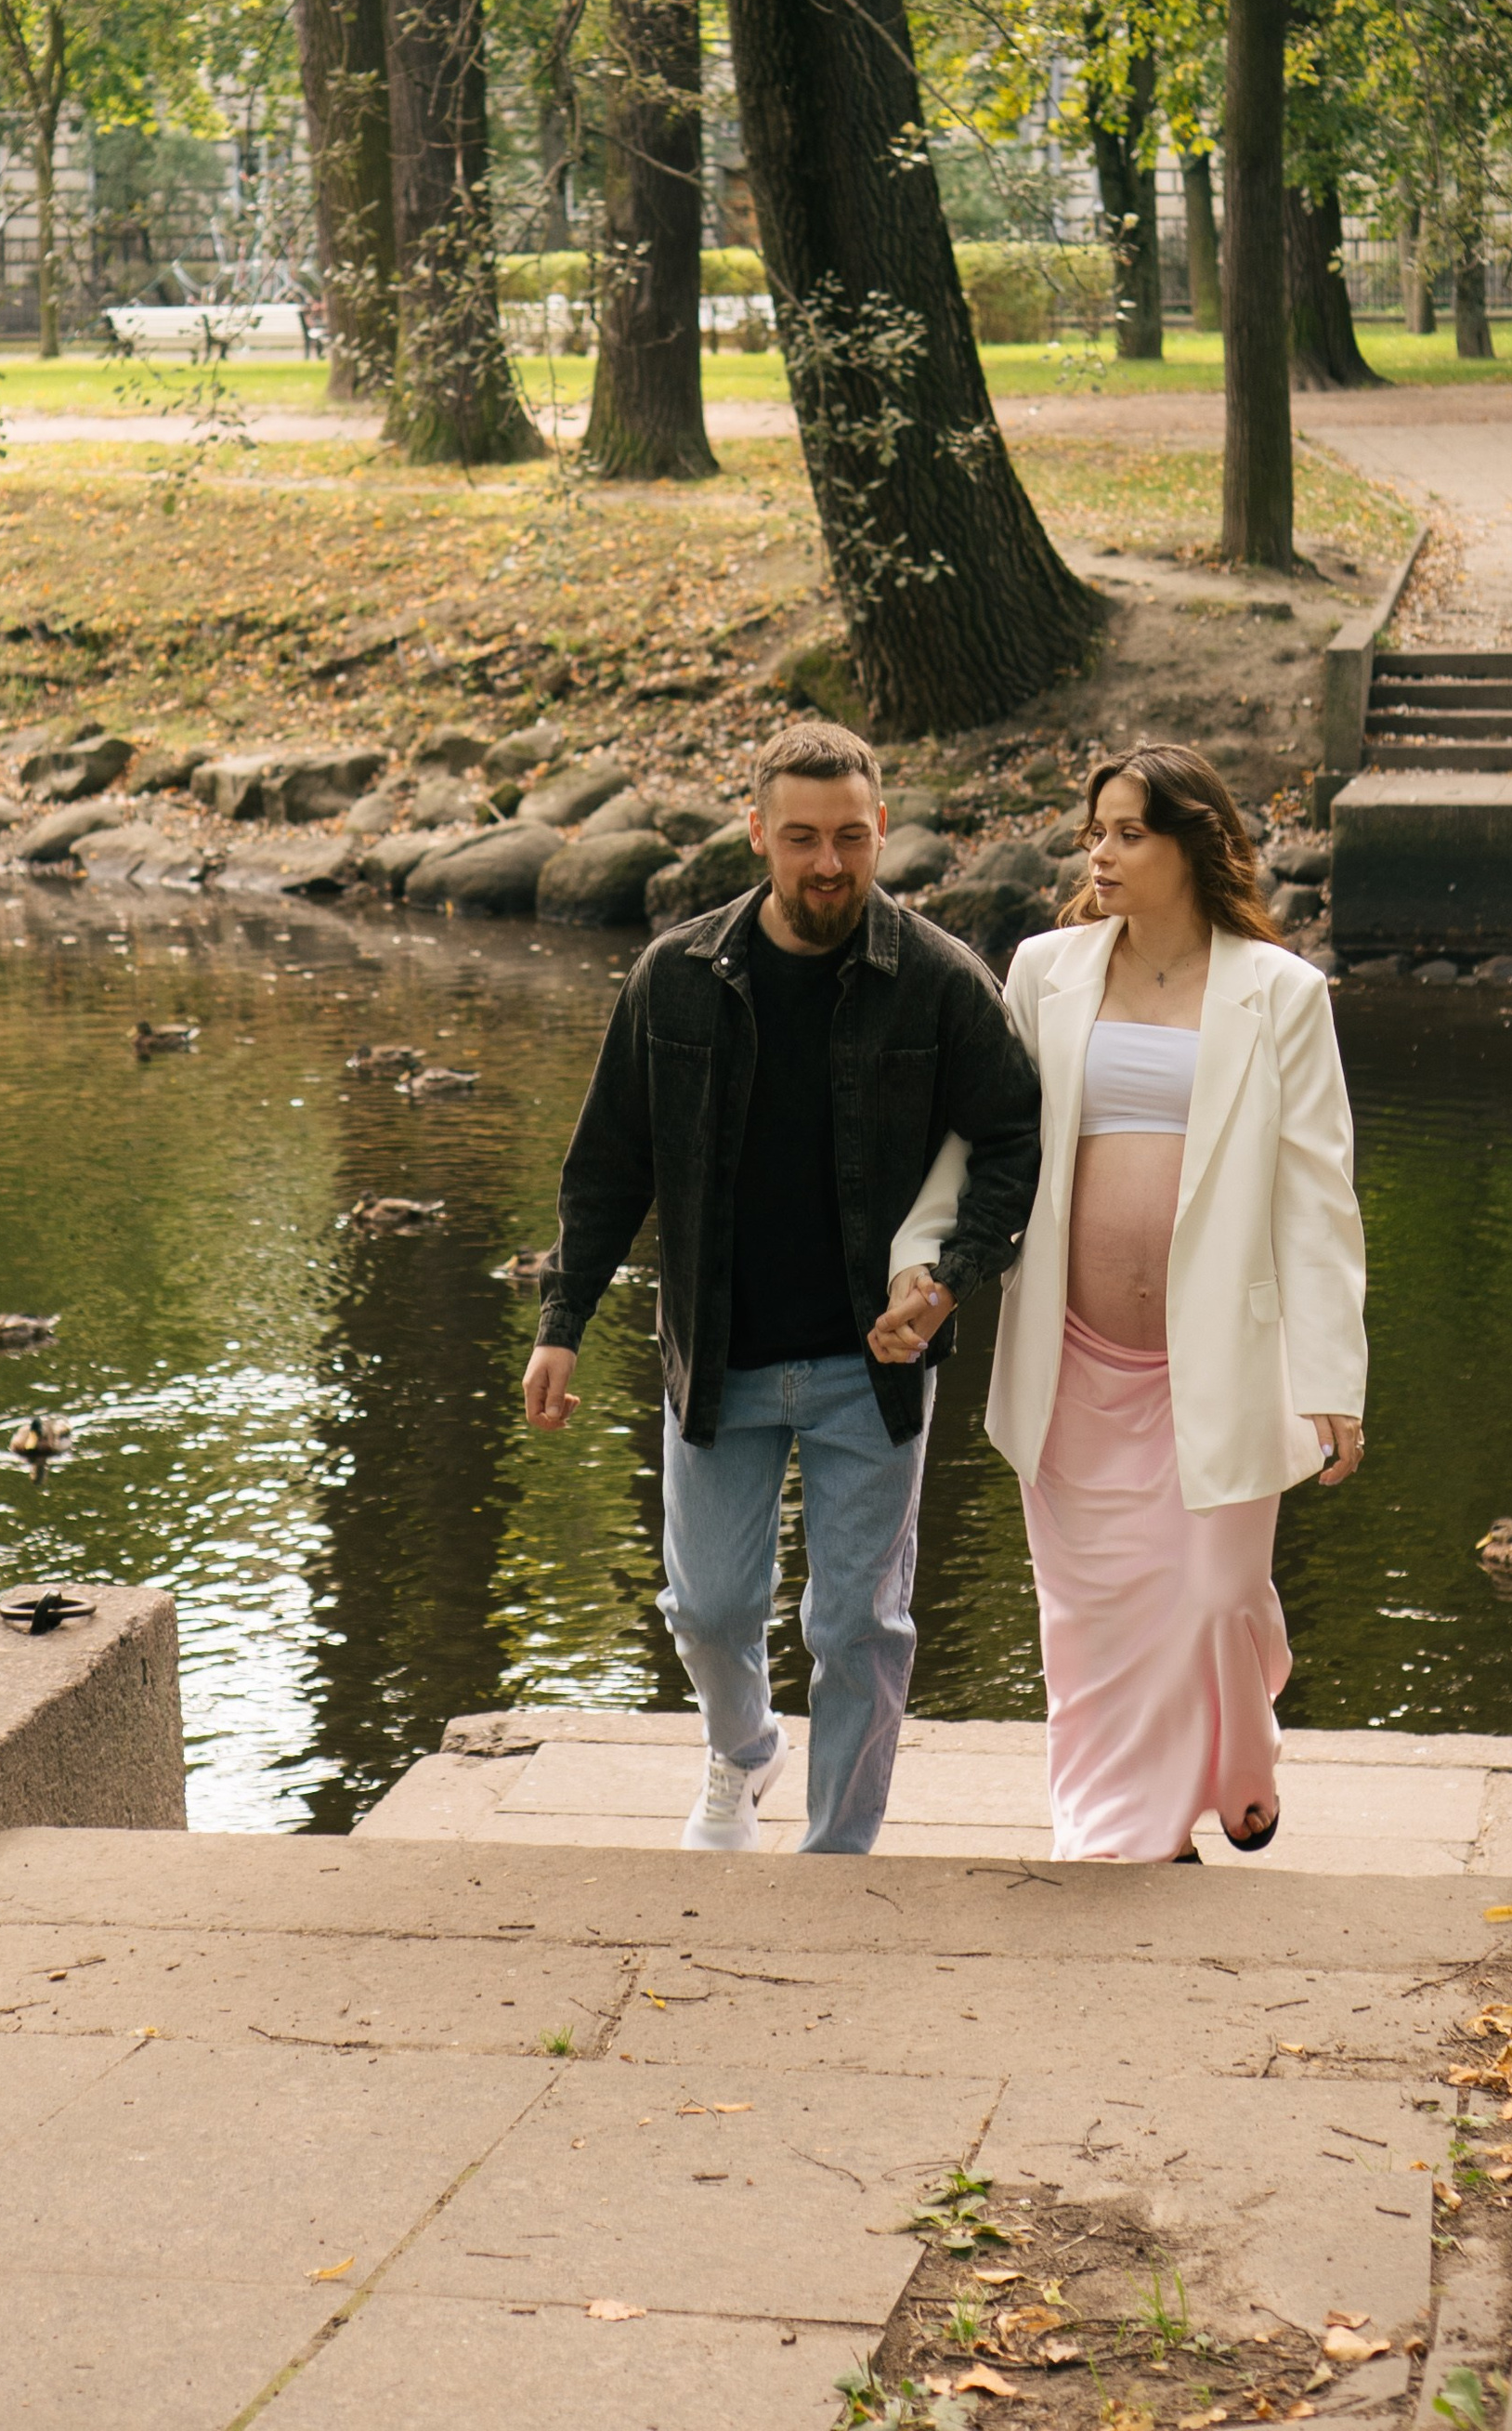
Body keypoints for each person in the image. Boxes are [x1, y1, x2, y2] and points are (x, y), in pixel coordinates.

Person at [525, 718, 1043, 1855]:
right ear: (756, 833)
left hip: (875, 1364)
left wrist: (952, 1280)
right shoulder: (673, 978)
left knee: (858, 1625)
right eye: (801, 837)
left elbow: (1015, 1140)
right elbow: (609, 1164)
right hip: (719, 1355)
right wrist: (562, 1321)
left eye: (850, 837)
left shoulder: (940, 981)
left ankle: (835, 1862)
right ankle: (744, 1748)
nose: (828, 863)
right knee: (708, 1609)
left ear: (882, 829)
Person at [870, 741, 1366, 1864]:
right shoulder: (1044, 970)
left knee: (1217, 1598)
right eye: (1094, 831)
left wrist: (1332, 1378)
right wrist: (924, 1265)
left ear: (1194, 846)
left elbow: (1316, 1198)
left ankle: (1235, 1748)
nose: (1099, 853)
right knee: (1090, 1619)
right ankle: (1119, 1834)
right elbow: (983, 1141)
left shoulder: (1281, 994)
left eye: (1129, 834)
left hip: (1222, 1360)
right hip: (1072, 1356)